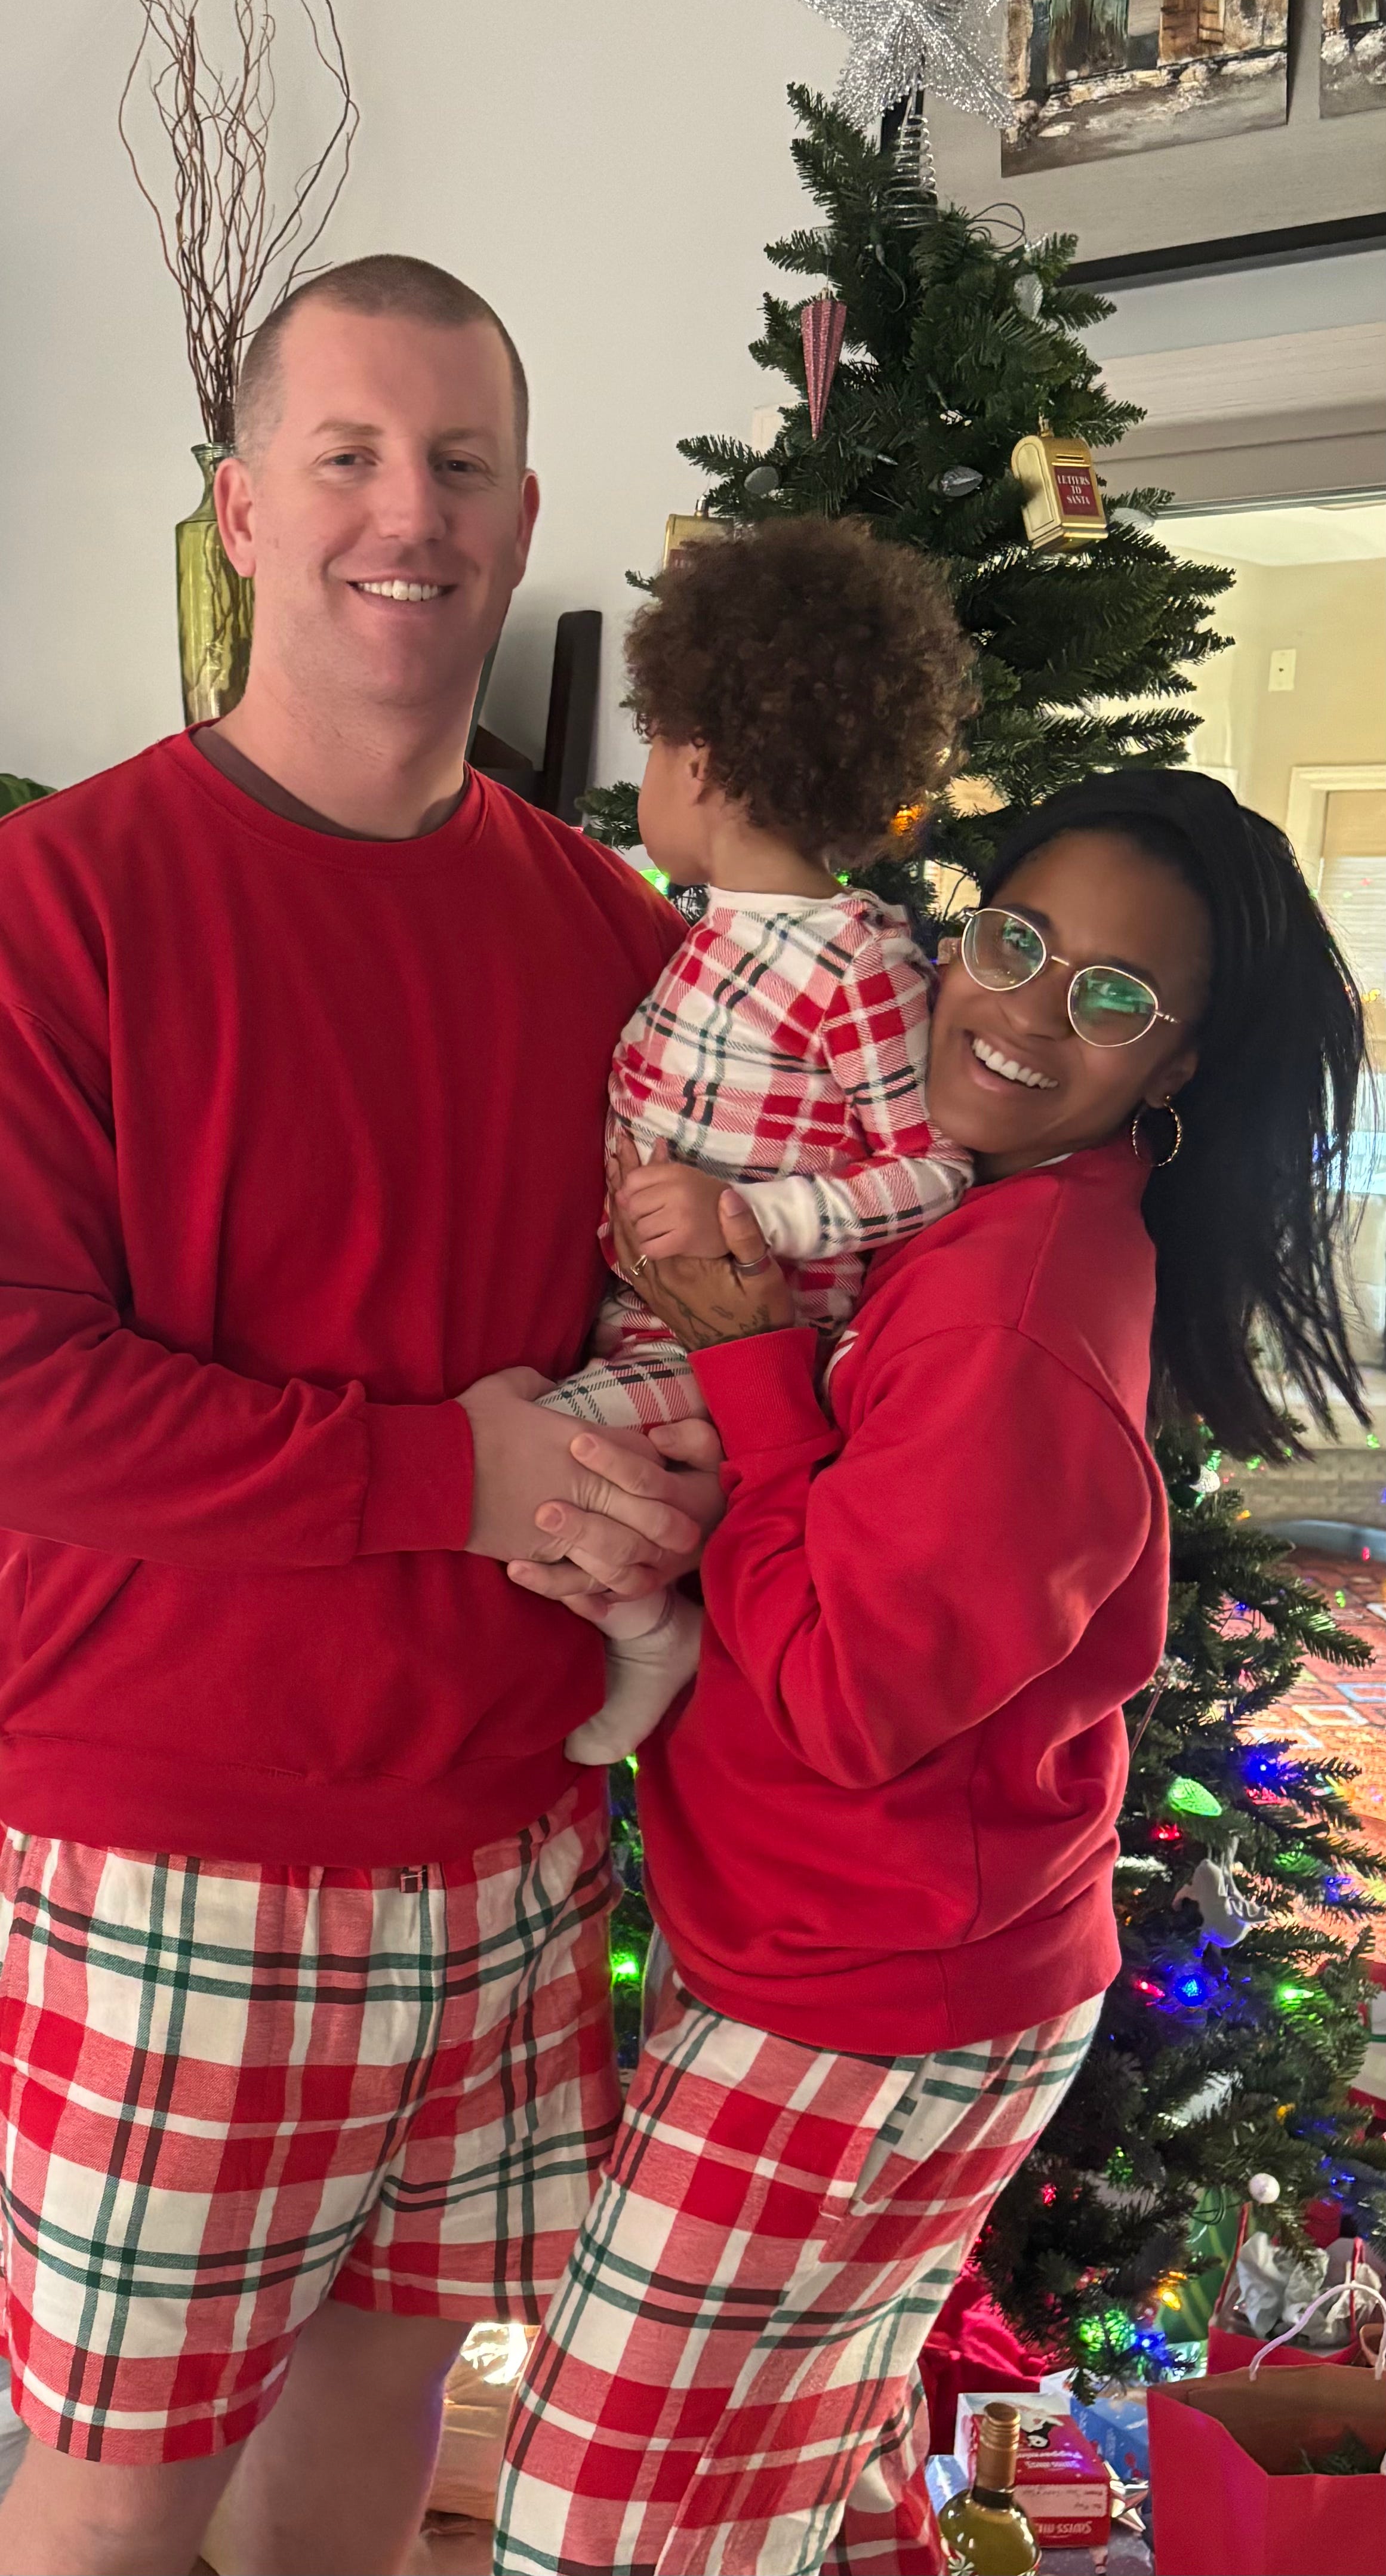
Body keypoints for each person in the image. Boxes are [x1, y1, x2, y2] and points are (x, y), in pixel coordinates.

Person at [0, 254, 724, 2576]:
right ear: (239, 509)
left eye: (459, 464)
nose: (407, 512)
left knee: (375, 2431)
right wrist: (455, 1471)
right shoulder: (51, 904)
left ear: (519, 522)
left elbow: (681, 1318)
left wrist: (653, 1478)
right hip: (175, 1846)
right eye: (347, 456)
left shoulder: (619, 939)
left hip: (513, 1840)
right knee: (116, 2500)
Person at [492, 767, 1366, 2573]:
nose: (1028, 1013)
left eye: (1111, 995)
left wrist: (744, 1364)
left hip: (863, 1998)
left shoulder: (1014, 1305)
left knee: (591, 2516)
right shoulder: (969, 1212)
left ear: (1178, 1061)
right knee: (807, 2477)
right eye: (1016, 941)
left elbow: (844, 1693)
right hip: (860, 1957)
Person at [546, 517, 974, 1765]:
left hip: (736, 1337)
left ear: (701, 759)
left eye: (652, 741)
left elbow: (936, 1169)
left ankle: (650, 1633)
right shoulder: (706, 933)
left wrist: (753, 1217)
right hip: (640, 1312)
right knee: (531, 1433)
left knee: (534, 1468)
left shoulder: (858, 960)